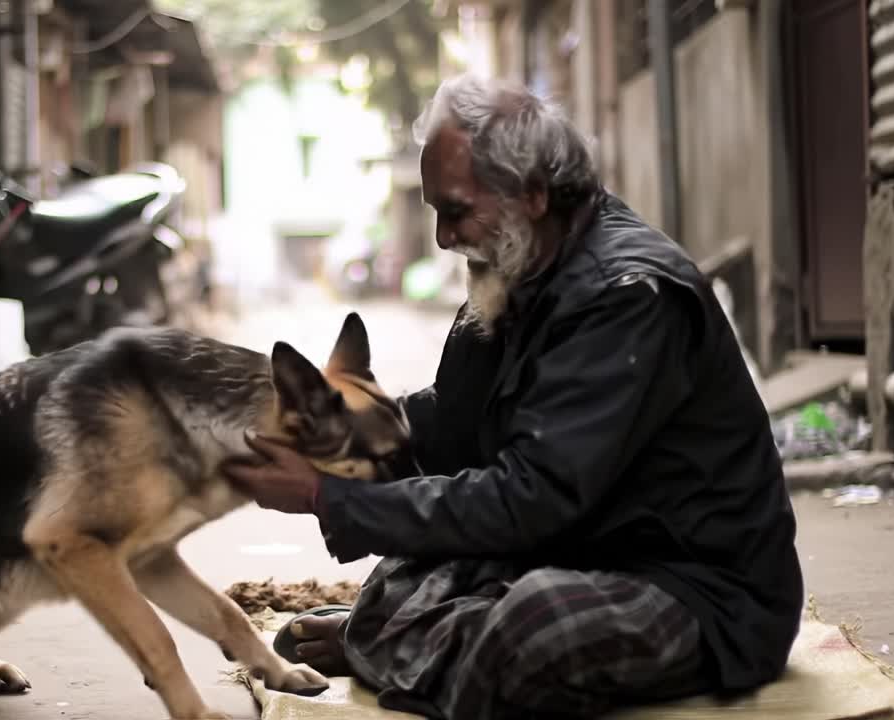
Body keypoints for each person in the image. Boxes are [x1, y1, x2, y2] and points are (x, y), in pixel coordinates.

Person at [222, 73, 804, 720]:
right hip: (578, 547)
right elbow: (455, 425)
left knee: (533, 626)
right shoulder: (514, 270)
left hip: (697, 590)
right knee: (399, 579)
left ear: (530, 194)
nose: (444, 238)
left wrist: (326, 498)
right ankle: (418, 645)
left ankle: (411, 648)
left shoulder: (627, 294)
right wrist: (339, 440)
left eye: (456, 211)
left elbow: (533, 497)